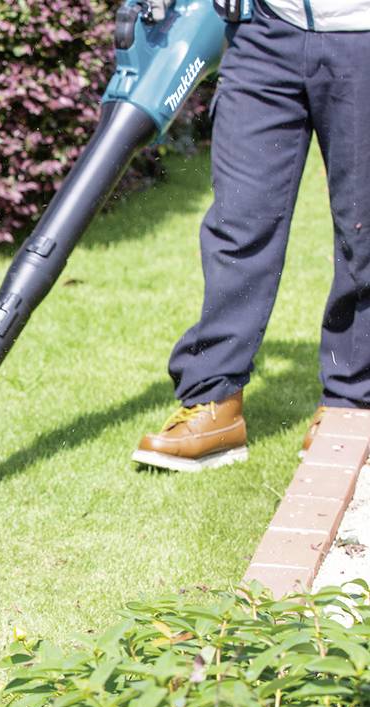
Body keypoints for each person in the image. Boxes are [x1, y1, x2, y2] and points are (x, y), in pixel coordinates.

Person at [131, 0, 370, 472]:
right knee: (238, 224)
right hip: (265, 31)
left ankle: (353, 400)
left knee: (363, 230)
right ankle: (214, 400)